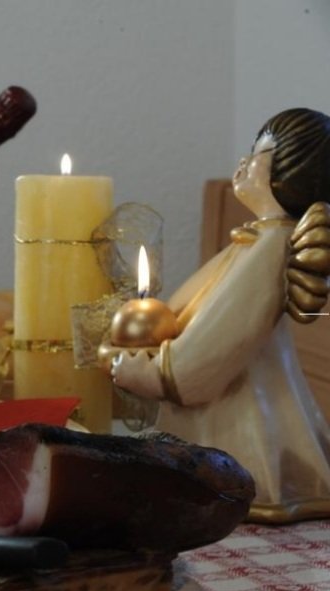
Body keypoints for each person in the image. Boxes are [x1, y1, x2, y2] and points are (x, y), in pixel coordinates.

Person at [111, 108, 330, 523]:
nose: (245, 161)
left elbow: (220, 339)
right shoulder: (257, 242)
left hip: (236, 426)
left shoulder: (268, 250)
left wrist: (155, 375)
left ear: (289, 173)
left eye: (260, 154)